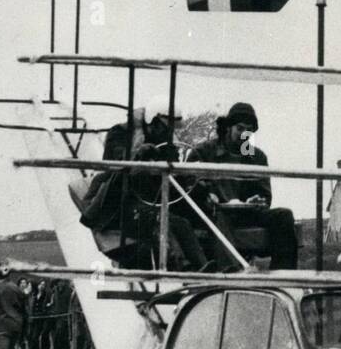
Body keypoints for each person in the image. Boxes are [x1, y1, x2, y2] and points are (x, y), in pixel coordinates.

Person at [81, 98, 204, 270]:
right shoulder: (119, 134)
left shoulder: (166, 145)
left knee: (183, 222)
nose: (169, 133)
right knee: (162, 221)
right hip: (118, 205)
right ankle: (183, 267)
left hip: (147, 203)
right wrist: (139, 154)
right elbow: (117, 164)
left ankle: (205, 267)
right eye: (166, 127)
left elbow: (170, 178)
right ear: (153, 121)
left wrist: (189, 179)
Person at [185, 101, 298, 270]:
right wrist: (206, 195)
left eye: (249, 131)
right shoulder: (203, 152)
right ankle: (232, 271)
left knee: (284, 216)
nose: (243, 135)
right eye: (240, 128)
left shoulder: (255, 156)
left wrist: (258, 200)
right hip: (214, 213)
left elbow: (265, 195)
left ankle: (282, 277)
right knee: (218, 217)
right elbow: (188, 187)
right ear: (228, 127)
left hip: (246, 213)